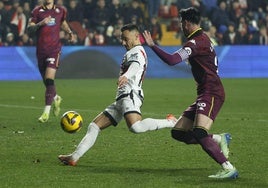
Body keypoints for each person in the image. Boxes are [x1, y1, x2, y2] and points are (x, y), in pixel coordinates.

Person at [58, 23, 177, 166]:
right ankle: (74, 157)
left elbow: (136, 65)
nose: (123, 42)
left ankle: (170, 122)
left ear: (136, 37)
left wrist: (126, 75)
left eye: (125, 39)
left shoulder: (137, 51)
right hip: (122, 98)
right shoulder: (134, 51)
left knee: (136, 127)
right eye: (122, 39)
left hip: (130, 94)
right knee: (94, 126)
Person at [142, 7, 239, 179]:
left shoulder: (195, 43)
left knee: (199, 132)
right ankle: (218, 138)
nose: (180, 26)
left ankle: (228, 167)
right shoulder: (203, 38)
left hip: (212, 92)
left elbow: (172, 60)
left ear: (186, 23)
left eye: (181, 23)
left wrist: (152, 46)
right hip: (205, 92)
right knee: (178, 132)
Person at [27, 0, 74, 122]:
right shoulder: (37, 11)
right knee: (47, 83)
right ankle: (56, 98)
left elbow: (62, 22)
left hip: (54, 50)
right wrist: (41, 23)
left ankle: (45, 113)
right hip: (41, 51)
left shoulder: (60, 10)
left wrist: (69, 32)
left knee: (49, 79)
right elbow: (29, 29)